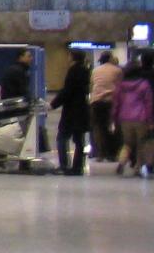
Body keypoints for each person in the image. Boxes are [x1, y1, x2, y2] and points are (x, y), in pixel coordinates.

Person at [115, 50, 154, 177]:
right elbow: (149, 104)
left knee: (127, 143)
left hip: (124, 118)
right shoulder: (144, 84)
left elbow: (116, 102)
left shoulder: (121, 85)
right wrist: (151, 120)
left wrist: (114, 117)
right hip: (141, 118)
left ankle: (122, 162)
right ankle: (138, 168)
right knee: (142, 144)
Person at [51, 45, 92, 175]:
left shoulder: (73, 71)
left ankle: (64, 164)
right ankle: (78, 166)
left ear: (72, 57)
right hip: (82, 109)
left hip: (71, 110)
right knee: (79, 140)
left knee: (62, 137)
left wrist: (53, 104)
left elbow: (67, 91)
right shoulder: (86, 70)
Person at [89, 48, 124, 165]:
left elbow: (92, 85)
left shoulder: (95, 71)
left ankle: (100, 153)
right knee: (113, 128)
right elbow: (121, 86)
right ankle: (112, 153)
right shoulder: (117, 70)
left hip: (96, 102)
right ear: (110, 59)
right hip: (111, 102)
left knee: (98, 128)